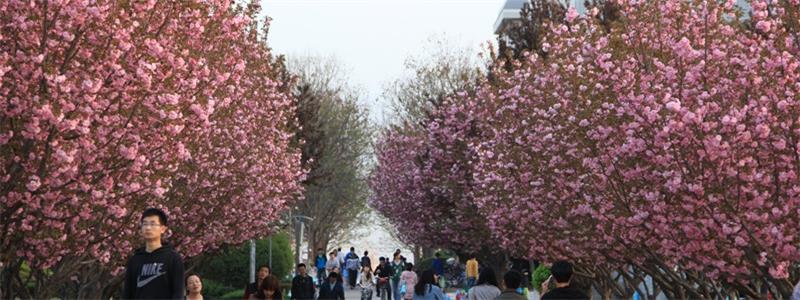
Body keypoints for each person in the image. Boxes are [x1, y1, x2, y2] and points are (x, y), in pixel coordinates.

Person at [123, 208, 185, 300]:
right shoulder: (135, 260)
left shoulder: (173, 258)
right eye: (145, 224)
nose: (148, 228)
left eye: (152, 224)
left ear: (163, 229)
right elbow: (128, 293)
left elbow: (178, 292)